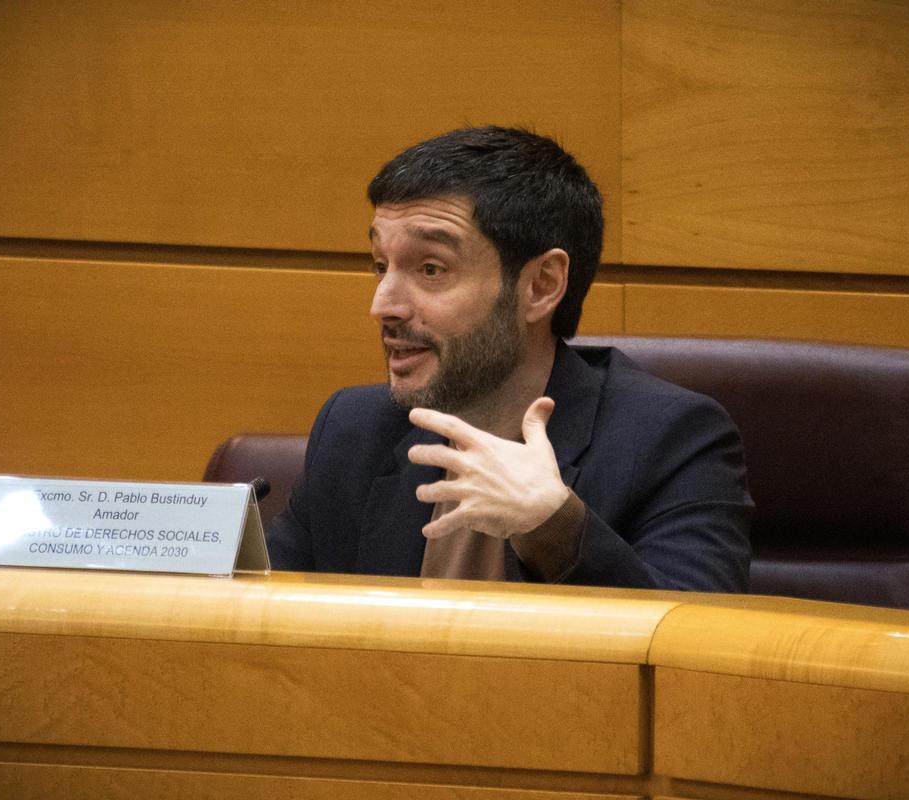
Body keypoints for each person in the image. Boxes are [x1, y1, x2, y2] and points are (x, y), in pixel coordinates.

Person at [267, 126, 752, 590]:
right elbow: (262, 614)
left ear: (540, 286)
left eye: (431, 269)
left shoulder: (671, 441)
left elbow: (693, 634)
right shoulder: (354, 431)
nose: (383, 306)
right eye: (381, 266)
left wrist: (552, 525)